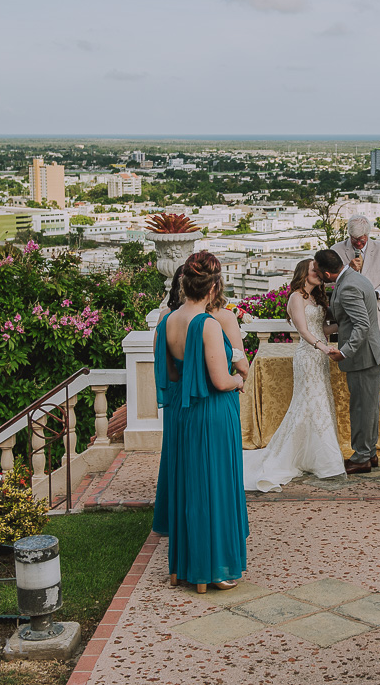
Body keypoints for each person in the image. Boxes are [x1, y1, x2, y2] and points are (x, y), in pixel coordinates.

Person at [162, 252, 248, 592]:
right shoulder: (210, 324)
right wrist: (239, 381)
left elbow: (171, 373)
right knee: (216, 488)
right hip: (212, 414)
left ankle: (182, 567)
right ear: (213, 287)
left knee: (189, 489)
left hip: (183, 413)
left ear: (184, 283)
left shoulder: (168, 321)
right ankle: (213, 570)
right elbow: (220, 380)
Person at [242, 259, 345, 492]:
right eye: (314, 270)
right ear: (303, 273)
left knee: (317, 404)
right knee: (312, 404)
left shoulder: (317, 298)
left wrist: (340, 326)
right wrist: (323, 347)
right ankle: (327, 463)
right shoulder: (296, 298)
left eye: (319, 270)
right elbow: (303, 330)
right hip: (308, 357)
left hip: (319, 355)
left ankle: (312, 457)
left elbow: (321, 329)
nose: (318, 274)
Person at [315, 248, 380, 474]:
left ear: (327, 275)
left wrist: (345, 351)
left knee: (361, 409)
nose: (316, 273)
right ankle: (369, 453)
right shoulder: (354, 278)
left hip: (363, 355)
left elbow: (362, 325)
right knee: (368, 408)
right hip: (369, 353)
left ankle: (361, 457)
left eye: (317, 271)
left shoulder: (347, 287)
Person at [152, 265, 185, 537]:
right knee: (174, 451)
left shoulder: (204, 315)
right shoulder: (167, 316)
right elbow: (159, 356)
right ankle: (171, 514)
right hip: (176, 390)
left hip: (191, 387)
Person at [331, 215, 380, 341]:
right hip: (347, 319)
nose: (358, 243)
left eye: (362, 239)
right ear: (349, 234)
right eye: (354, 239)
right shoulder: (336, 250)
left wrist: (377, 293)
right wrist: (347, 270)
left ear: (368, 234)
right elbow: (327, 281)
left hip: (376, 318)